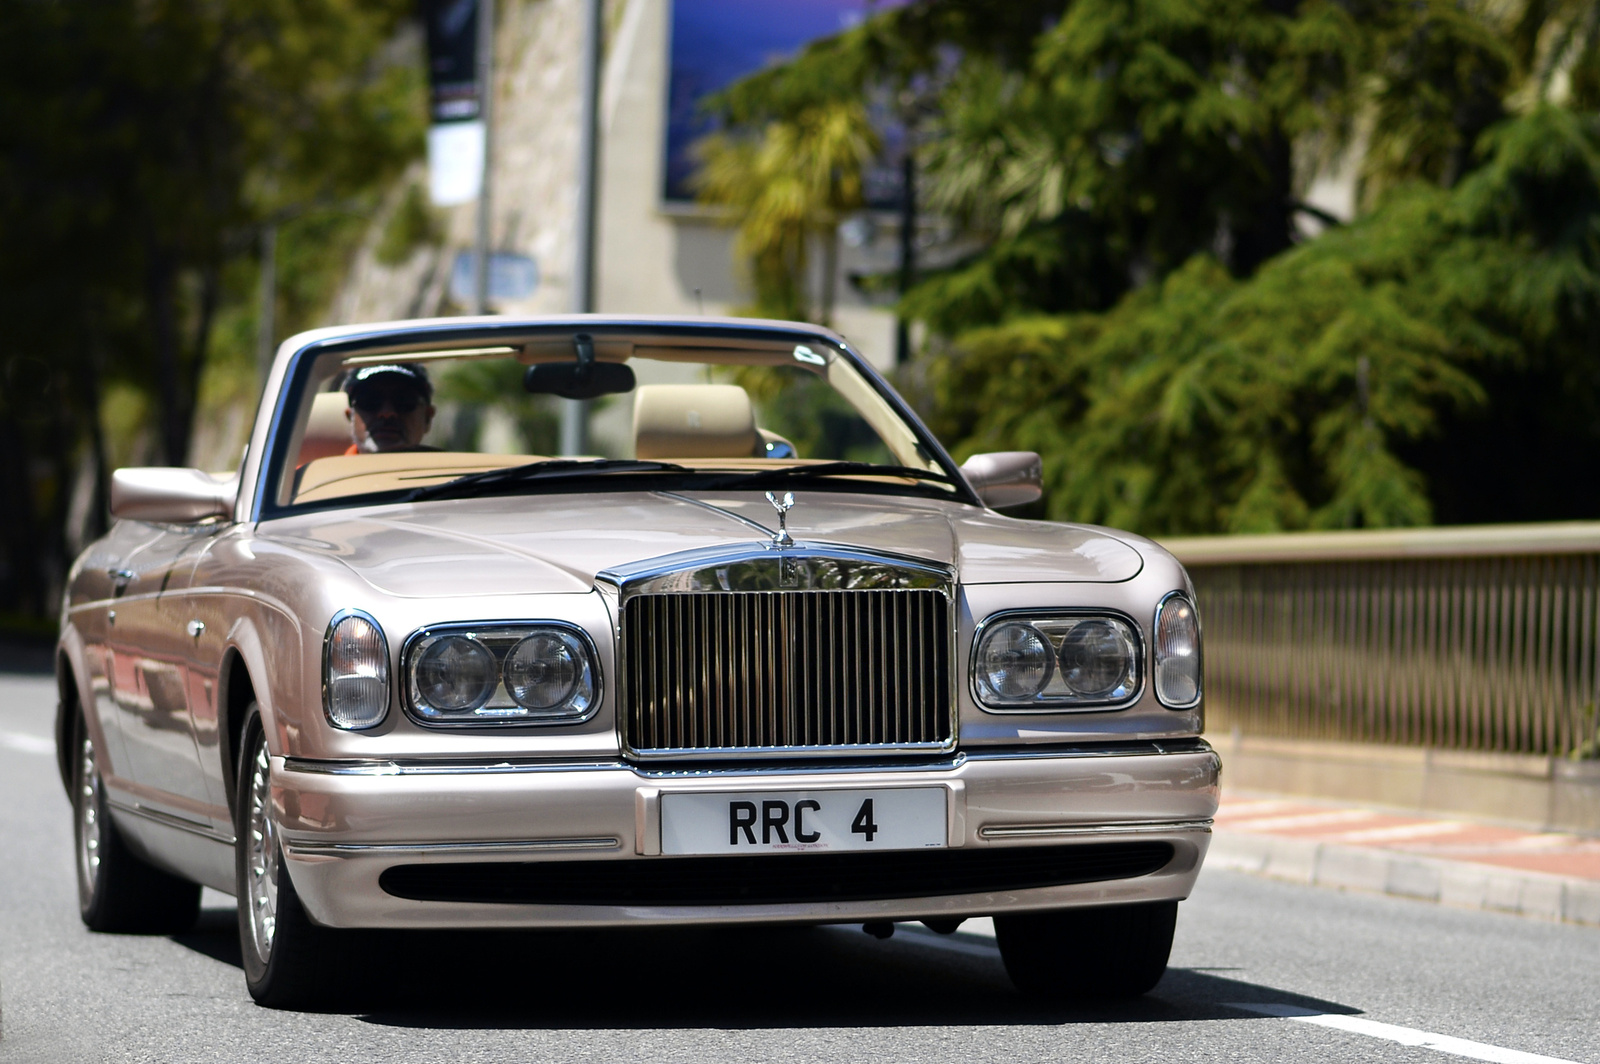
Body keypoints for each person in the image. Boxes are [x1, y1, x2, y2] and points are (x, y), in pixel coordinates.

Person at [343, 364, 437, 453]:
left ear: (427, 417)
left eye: (403, 401)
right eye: (369, 401)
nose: (387, 412)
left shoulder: (447, 466)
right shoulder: (332, 469)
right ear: (350, 417)